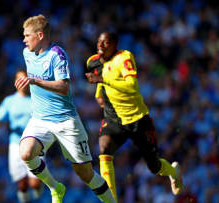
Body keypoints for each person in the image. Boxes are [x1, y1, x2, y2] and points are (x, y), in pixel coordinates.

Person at [15, 14, 115, 203]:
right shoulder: (26, 53)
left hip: (65, 120)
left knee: (86, 175)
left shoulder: (57, 55)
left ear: (40, 35)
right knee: (26, 153)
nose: (24, 39)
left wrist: (35, 81)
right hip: (40, 119)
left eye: (27, 35)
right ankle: (55, 188)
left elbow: (64, 87)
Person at [85, 32, 184, 201]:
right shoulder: (92, 62)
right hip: (114, 119)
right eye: (99, 42)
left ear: (114, 45)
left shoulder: (124, 57)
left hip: (137, 119)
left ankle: (174, 172)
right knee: (103, 150)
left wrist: (102, 79)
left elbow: (131, 85)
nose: (101, 46)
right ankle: (111, 200)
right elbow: (99, 83)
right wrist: (99, 94)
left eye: (106, 43)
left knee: (155, 166)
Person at [0, 69, 43, 203]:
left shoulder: (37, 100)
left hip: (35, 144)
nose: (22, 82)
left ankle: (39, 198)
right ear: (15, 82)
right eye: (19, 79)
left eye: (24, 79)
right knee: (22, 184)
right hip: (16, 145)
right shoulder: (9, 101)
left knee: (35, 183)